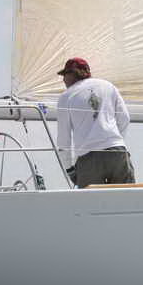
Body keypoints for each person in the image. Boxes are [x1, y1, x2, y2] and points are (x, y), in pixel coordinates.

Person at [55, 57, 134, 187]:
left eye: (65, 75)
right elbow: (124, 118)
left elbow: (64, 139)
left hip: (89, 158)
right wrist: (114, 141)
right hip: (117, 153)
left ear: (73, 74)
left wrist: (69, 168)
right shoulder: (108, 86)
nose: (63, 79)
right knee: (125, 197)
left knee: (91, 200)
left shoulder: (66, 97)